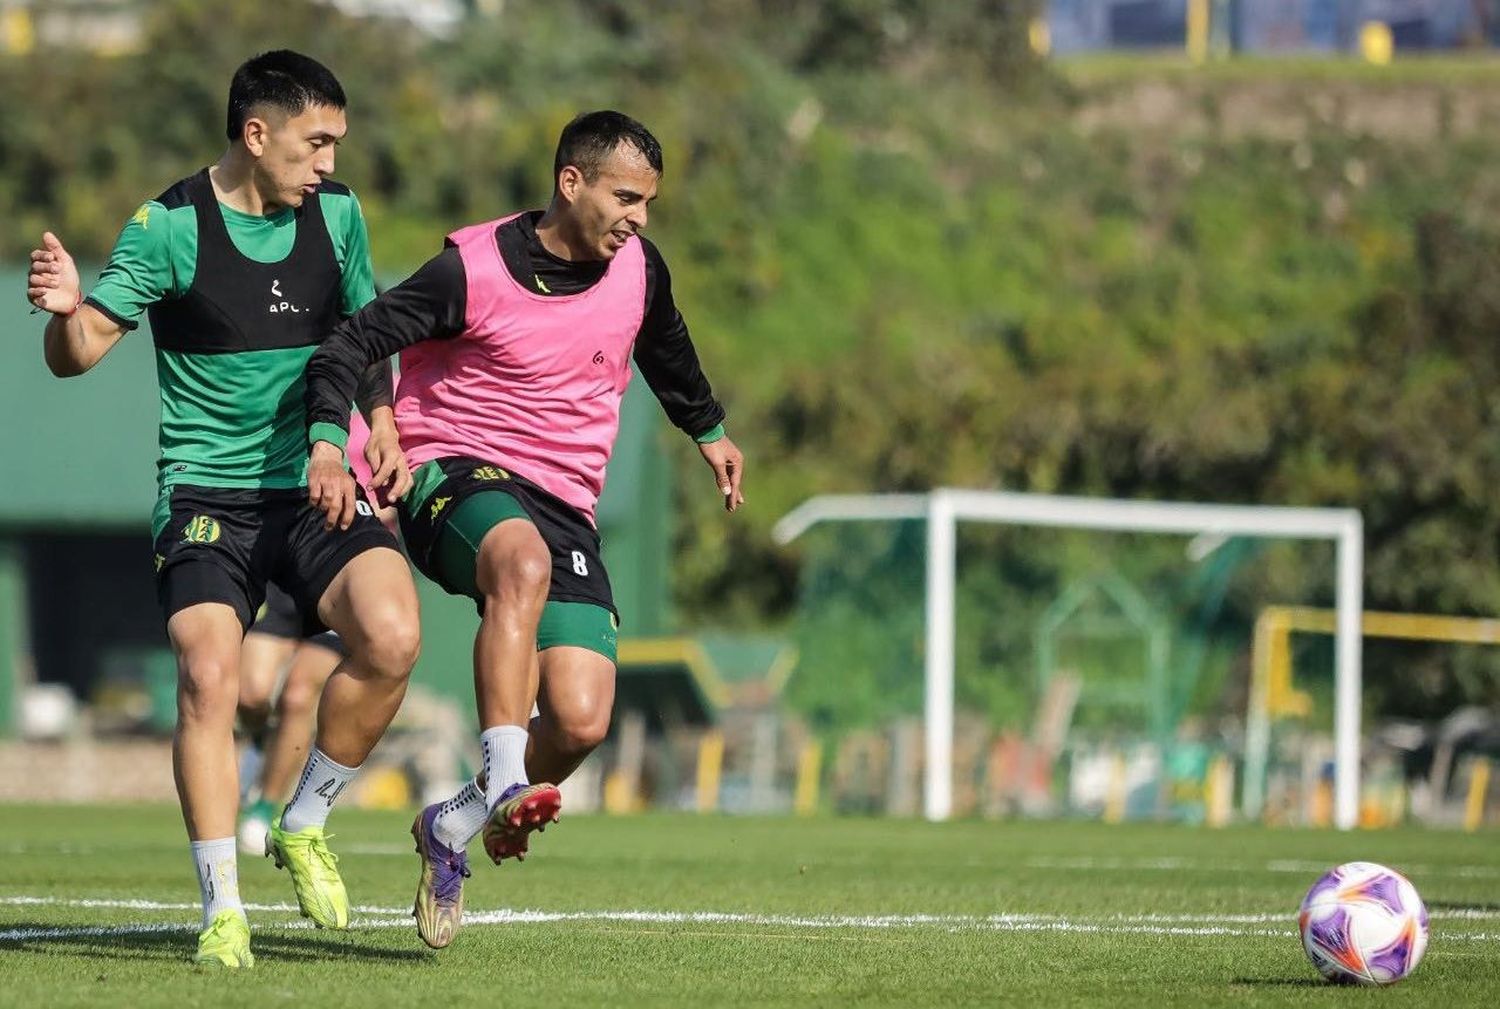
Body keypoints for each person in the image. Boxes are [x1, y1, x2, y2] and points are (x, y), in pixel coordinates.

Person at [303, 110, 744, 949]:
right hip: (451, 474)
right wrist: (355, 428)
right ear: (570, 182)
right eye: (624, 197)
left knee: (580, 719)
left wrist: (710, 430)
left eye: (648, 203)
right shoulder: (472, 268)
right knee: (519, 559)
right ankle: (504, 777)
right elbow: (355, 340)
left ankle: (451, 825)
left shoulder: (640, 270)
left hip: (564, 500)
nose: (638, 218)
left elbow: (667, 347)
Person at [25, 50, 421, 968]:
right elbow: (76, 353)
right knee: (209, 674)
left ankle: (305, 818)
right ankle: (222, 909)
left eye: (335, 144)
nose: (328, 162)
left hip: (315, 483)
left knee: (394, 635)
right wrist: (63, 309)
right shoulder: (168, 228)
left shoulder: (341, 215)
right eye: (315, 142)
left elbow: (365, 337)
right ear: (256, 134)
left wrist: (385, 420)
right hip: (207, 492)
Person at [235, 584, 346, 856]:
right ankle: (263, 740)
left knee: (297, 697)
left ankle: (265, 807)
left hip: (336, 579)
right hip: (279, 581)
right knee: (251, 697)